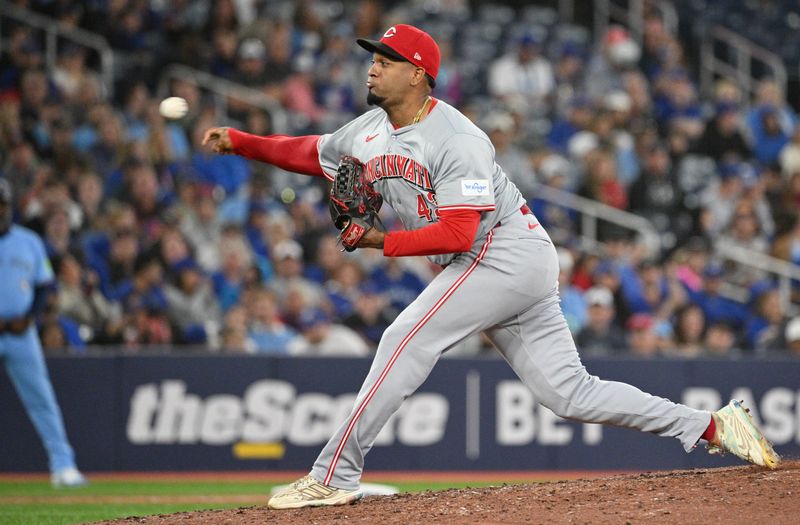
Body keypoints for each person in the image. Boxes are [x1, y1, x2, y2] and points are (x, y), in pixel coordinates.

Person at [201, 24, 779, 510]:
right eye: (372, 59)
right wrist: (241, 141)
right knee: (569, 393)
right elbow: (311, 152)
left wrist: (378, 241)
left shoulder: (457, 138)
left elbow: (461, 231)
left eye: (386, 60)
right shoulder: (369, 130)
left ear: (419, 73)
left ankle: (334, 476)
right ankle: (711, 426)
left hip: (503, 253)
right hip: (494, 260)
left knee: (404, 339)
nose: (372, 69)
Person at [0, 179, 87, 487]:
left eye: (3, 205)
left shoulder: (28, 241)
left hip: (21, 333)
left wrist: (30, 317)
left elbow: (45, 286)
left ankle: (63, 465)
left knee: (42, 399)